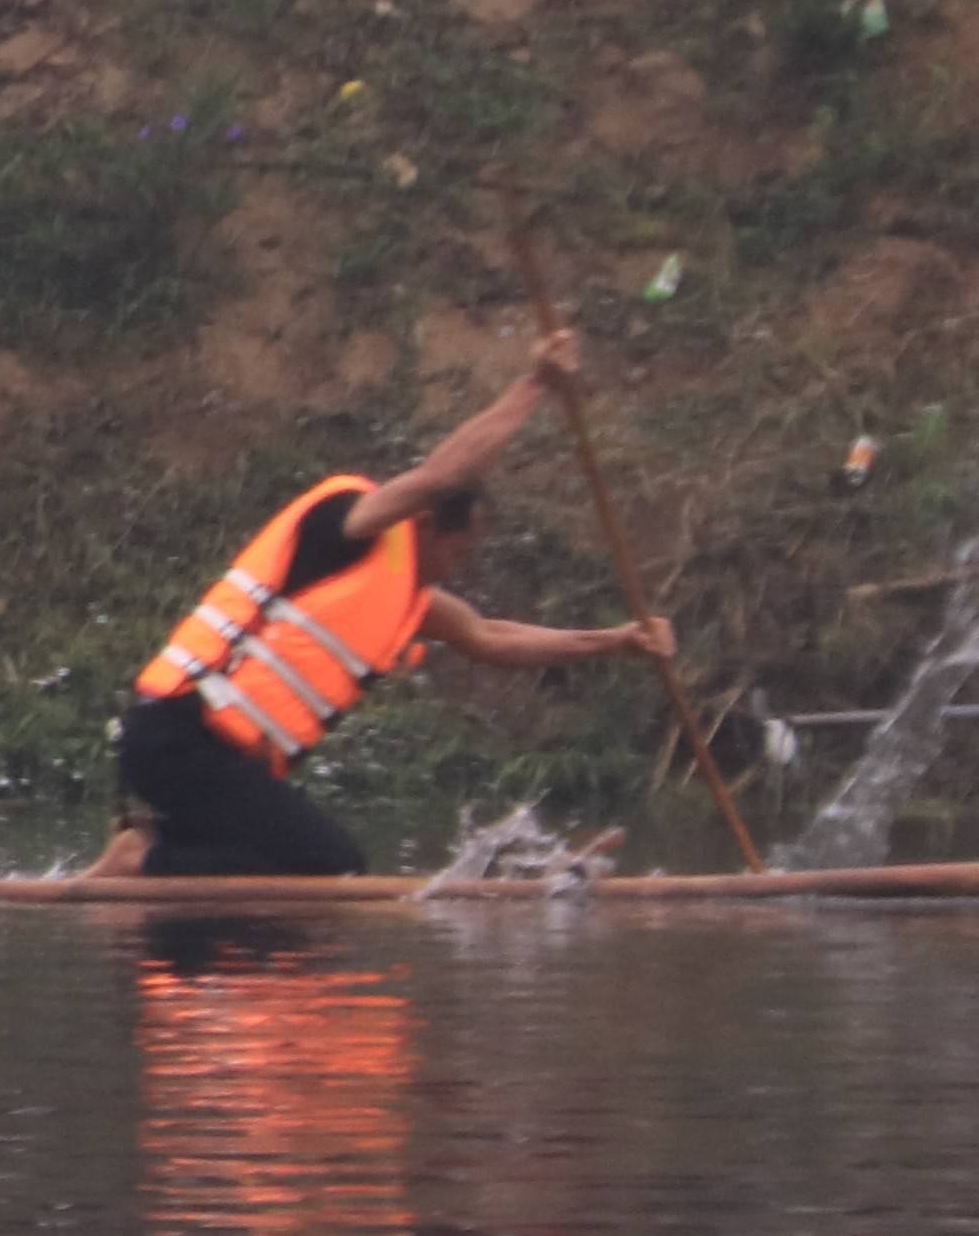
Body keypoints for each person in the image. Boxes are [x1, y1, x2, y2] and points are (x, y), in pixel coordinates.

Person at [101, 337, 677, 877]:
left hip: (212, 757)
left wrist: (617, 640)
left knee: (280, 869)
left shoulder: (408, 597)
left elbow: (489, 636)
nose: (457, 567)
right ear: (424, 523)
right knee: (333, 866)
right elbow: (442, 477)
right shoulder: (351, 524)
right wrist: (536, 385)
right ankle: (140, 860)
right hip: (181, 737)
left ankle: (146, 873)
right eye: (458, 550)